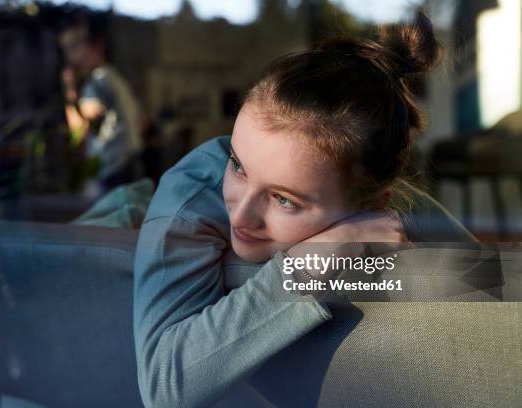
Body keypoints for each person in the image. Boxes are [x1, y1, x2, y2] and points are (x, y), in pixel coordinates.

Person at [133, 12, 476, 408]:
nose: (241, 215)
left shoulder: (397, 207)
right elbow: (163, 387)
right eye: (238, 165)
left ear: (370, 205)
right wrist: (313, 261)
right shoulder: (191, 198)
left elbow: (492, 289)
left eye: (284, 199)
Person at [59, 12, 144, 195]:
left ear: (96, 47)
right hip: (126, 162)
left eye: (74, 47)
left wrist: (70, 89)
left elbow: (79, 128)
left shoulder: (99, 80)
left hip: (112, 169)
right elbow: (141, 120)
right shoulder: (114, 77)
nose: (71, 57)